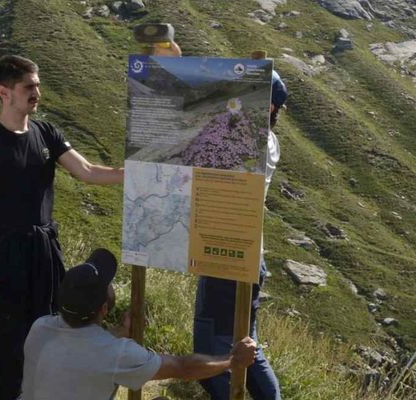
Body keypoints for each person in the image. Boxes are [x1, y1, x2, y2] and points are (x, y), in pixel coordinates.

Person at [0, 55, 124, 400]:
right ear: (4, 92)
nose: (37, 92)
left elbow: (87, 171)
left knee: (52, 340)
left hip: (45, 254)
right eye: (29, 87)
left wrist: (135, 174)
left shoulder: (46, 133)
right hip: (3, 256)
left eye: (37, 85)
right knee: (10, 350)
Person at [22, 248, 257, 400]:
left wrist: (123, 331)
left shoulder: (40, 328)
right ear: (103, 309)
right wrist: (233, 361)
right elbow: (183, 368)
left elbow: (85, 348)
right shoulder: (116, 354)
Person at [193, 68, 289, 400]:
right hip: (240, 252)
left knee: (212, 350)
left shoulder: (259, 140)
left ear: (270, 108)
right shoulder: (262, 139)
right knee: (243, 343)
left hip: (227, 254)